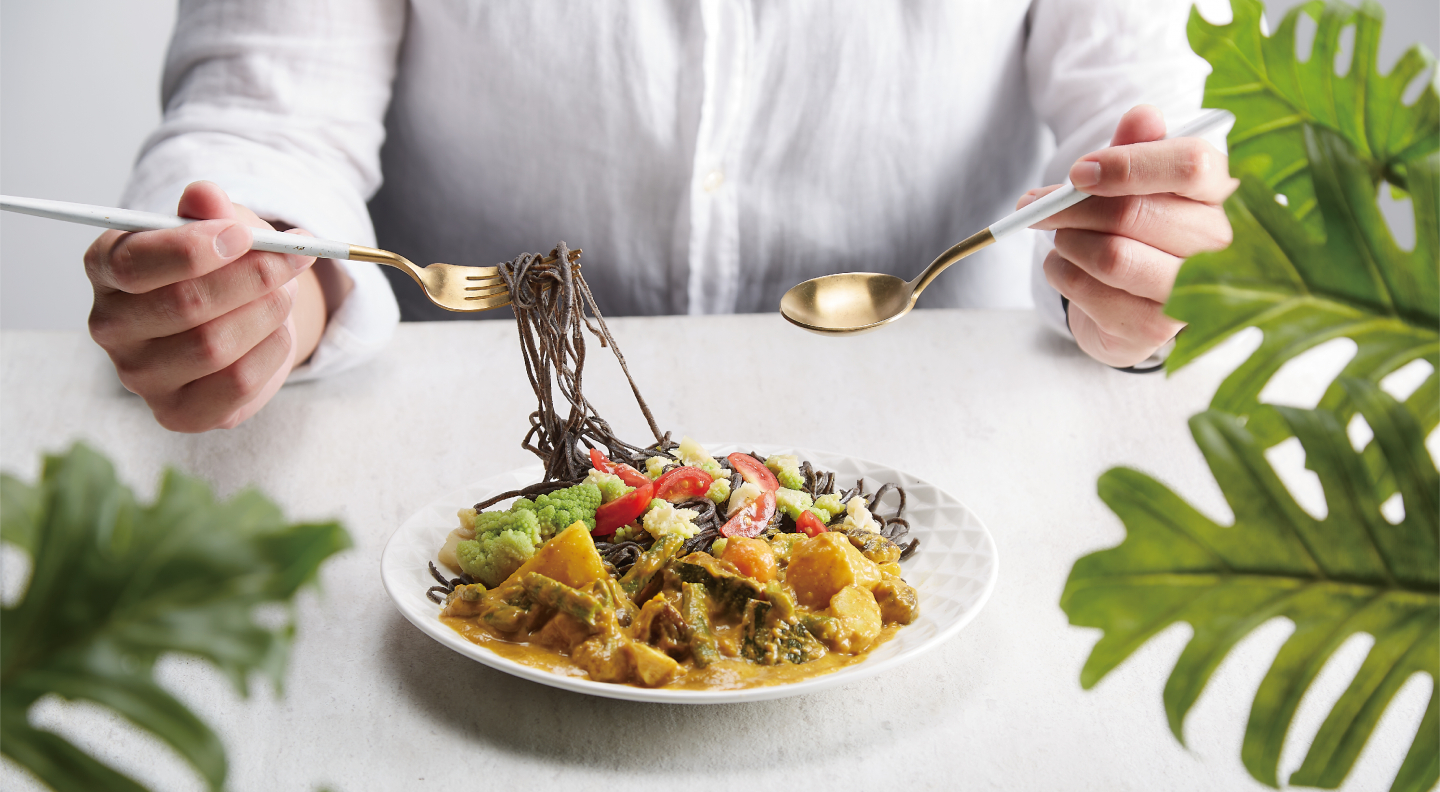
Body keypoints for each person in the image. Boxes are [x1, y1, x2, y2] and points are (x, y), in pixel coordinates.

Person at [85, 1, 1236, 433]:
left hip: (951, 444)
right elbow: (266, 118)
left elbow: (1157, 116)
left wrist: (1152, 258)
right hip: (456, 459)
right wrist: (255, 282)